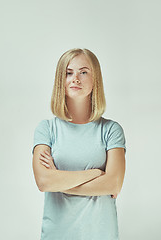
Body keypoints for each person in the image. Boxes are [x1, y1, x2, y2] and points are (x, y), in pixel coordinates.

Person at [32, 48, 126, 240]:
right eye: (69, 73)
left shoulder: (111, 130)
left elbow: (114, 183)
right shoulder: (47, 129)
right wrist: (95, 174)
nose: (75, 78)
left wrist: (60, 182)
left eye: (83, 72)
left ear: (95, 80)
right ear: (61, 80)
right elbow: (44, 181)